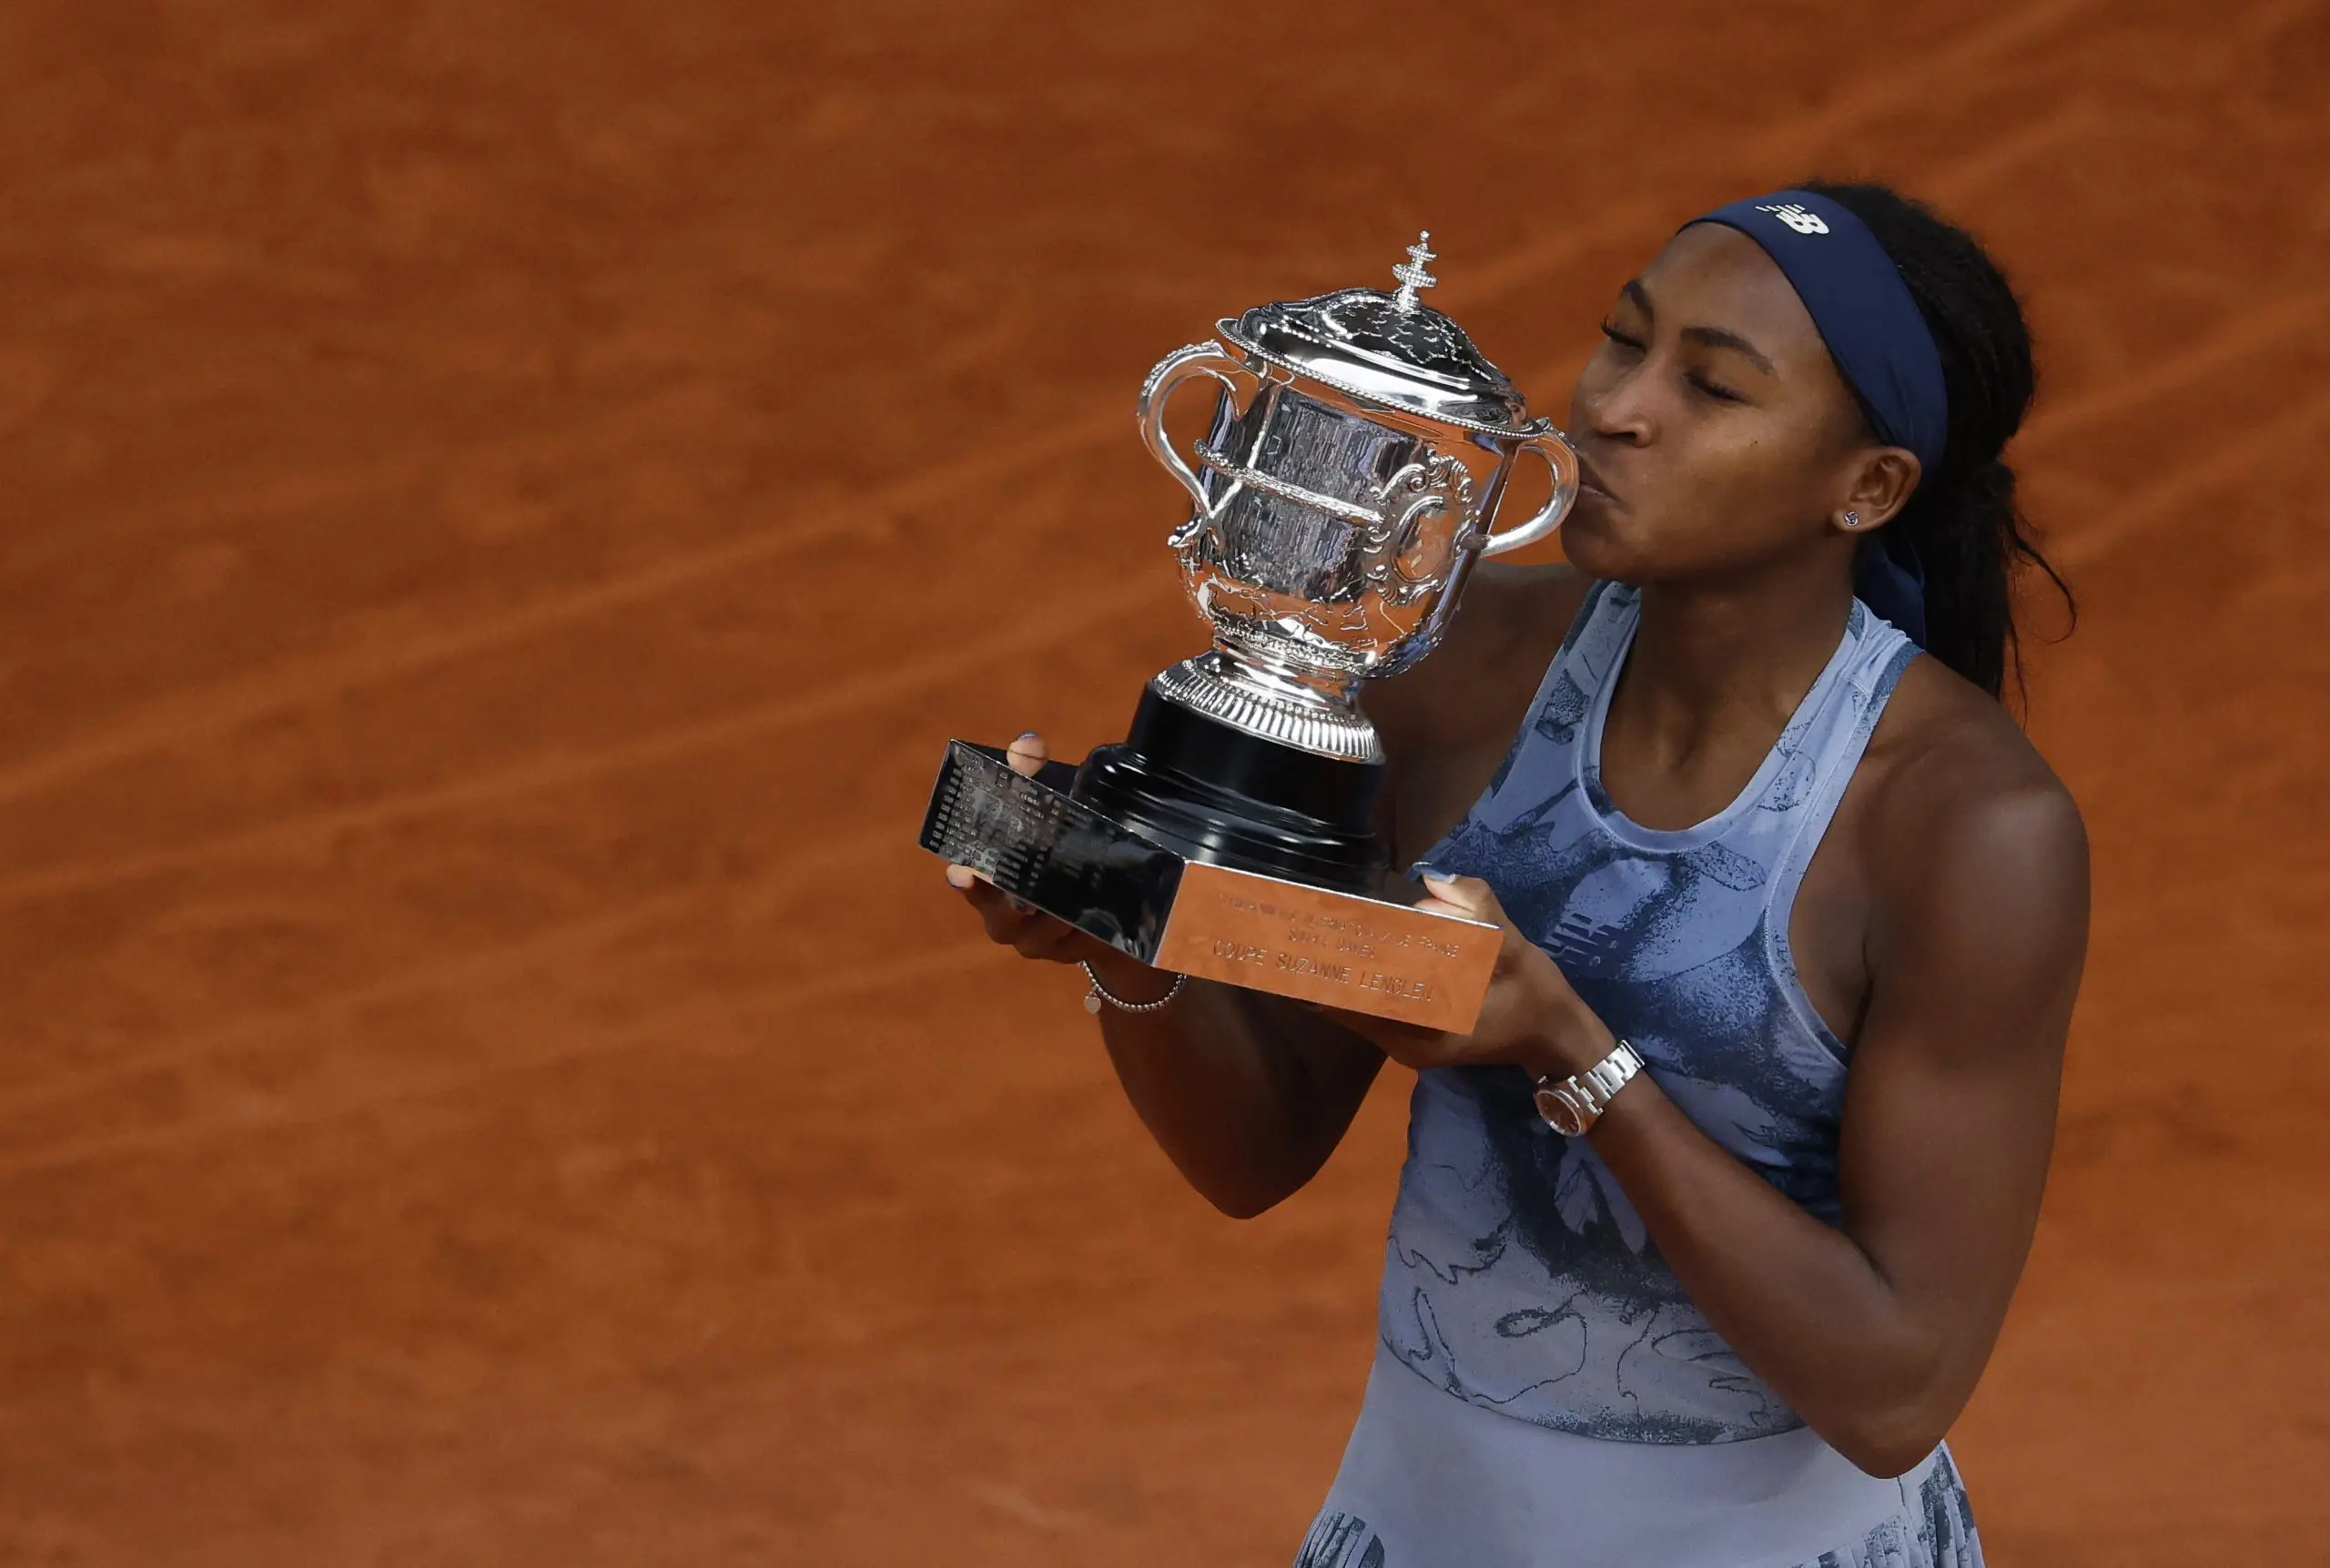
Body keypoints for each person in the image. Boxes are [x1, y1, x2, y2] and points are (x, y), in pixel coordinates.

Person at [945, 182, 2087, 1568]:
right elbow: (1256, 1151)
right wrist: (1121, 930)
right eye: (1625, 337)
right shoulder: (1456, 667)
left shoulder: (1967, 827)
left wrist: (1573, 1053)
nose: (1614, 408)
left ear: (1869, 488)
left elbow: (1896, 1389)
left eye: (1713, 386)